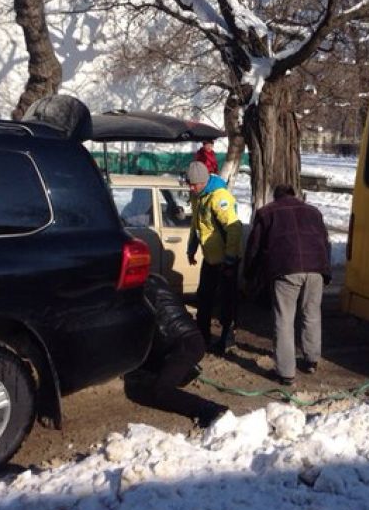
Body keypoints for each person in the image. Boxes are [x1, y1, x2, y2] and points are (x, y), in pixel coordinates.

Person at [244, 184, 331, 385]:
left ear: (276, 196)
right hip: (316, 268)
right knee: (311, 314)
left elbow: (254, 247)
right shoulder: (313, 212)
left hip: (286, 269)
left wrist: (249, 274)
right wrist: (325, 271)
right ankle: (311, 360)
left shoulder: (267, 213)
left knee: (284, 320)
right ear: (295, 194)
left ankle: (285, 372)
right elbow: (325, 242)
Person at [124, 274, 226, 425]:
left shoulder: (136, 296)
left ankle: (210, 410)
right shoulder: (156, 280)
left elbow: (144, 335)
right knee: (148, 374)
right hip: (189, 341)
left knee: (161, 391)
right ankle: (180, 372)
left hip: (184, 346)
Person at [186, 161, 242, 355]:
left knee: (227, 300)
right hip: (210, 257)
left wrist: (230, 257)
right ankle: (203, 337)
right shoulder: (198, 196)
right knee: (204, 297)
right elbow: (196, 224)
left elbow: (234, 228)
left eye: (194, 184)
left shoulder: (219, 197)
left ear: (204, 181)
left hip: (226, 259)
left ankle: (228, 338)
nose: (191, 188)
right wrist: (191, 248)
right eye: (189, 184)